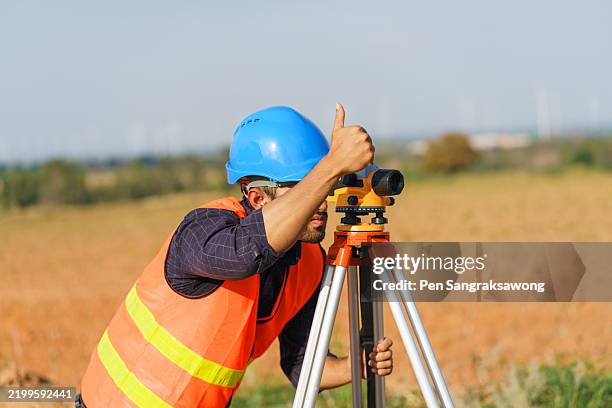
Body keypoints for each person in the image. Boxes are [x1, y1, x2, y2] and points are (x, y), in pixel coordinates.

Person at [78, 104, 394, 407]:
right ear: (256, 197)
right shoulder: (203, 232)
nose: (323, 200)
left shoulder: (310, 262)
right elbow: (248, 252)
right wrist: (331, 165)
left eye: (326, 185)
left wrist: (356, 366)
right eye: (303, 186)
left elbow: (304, 366)